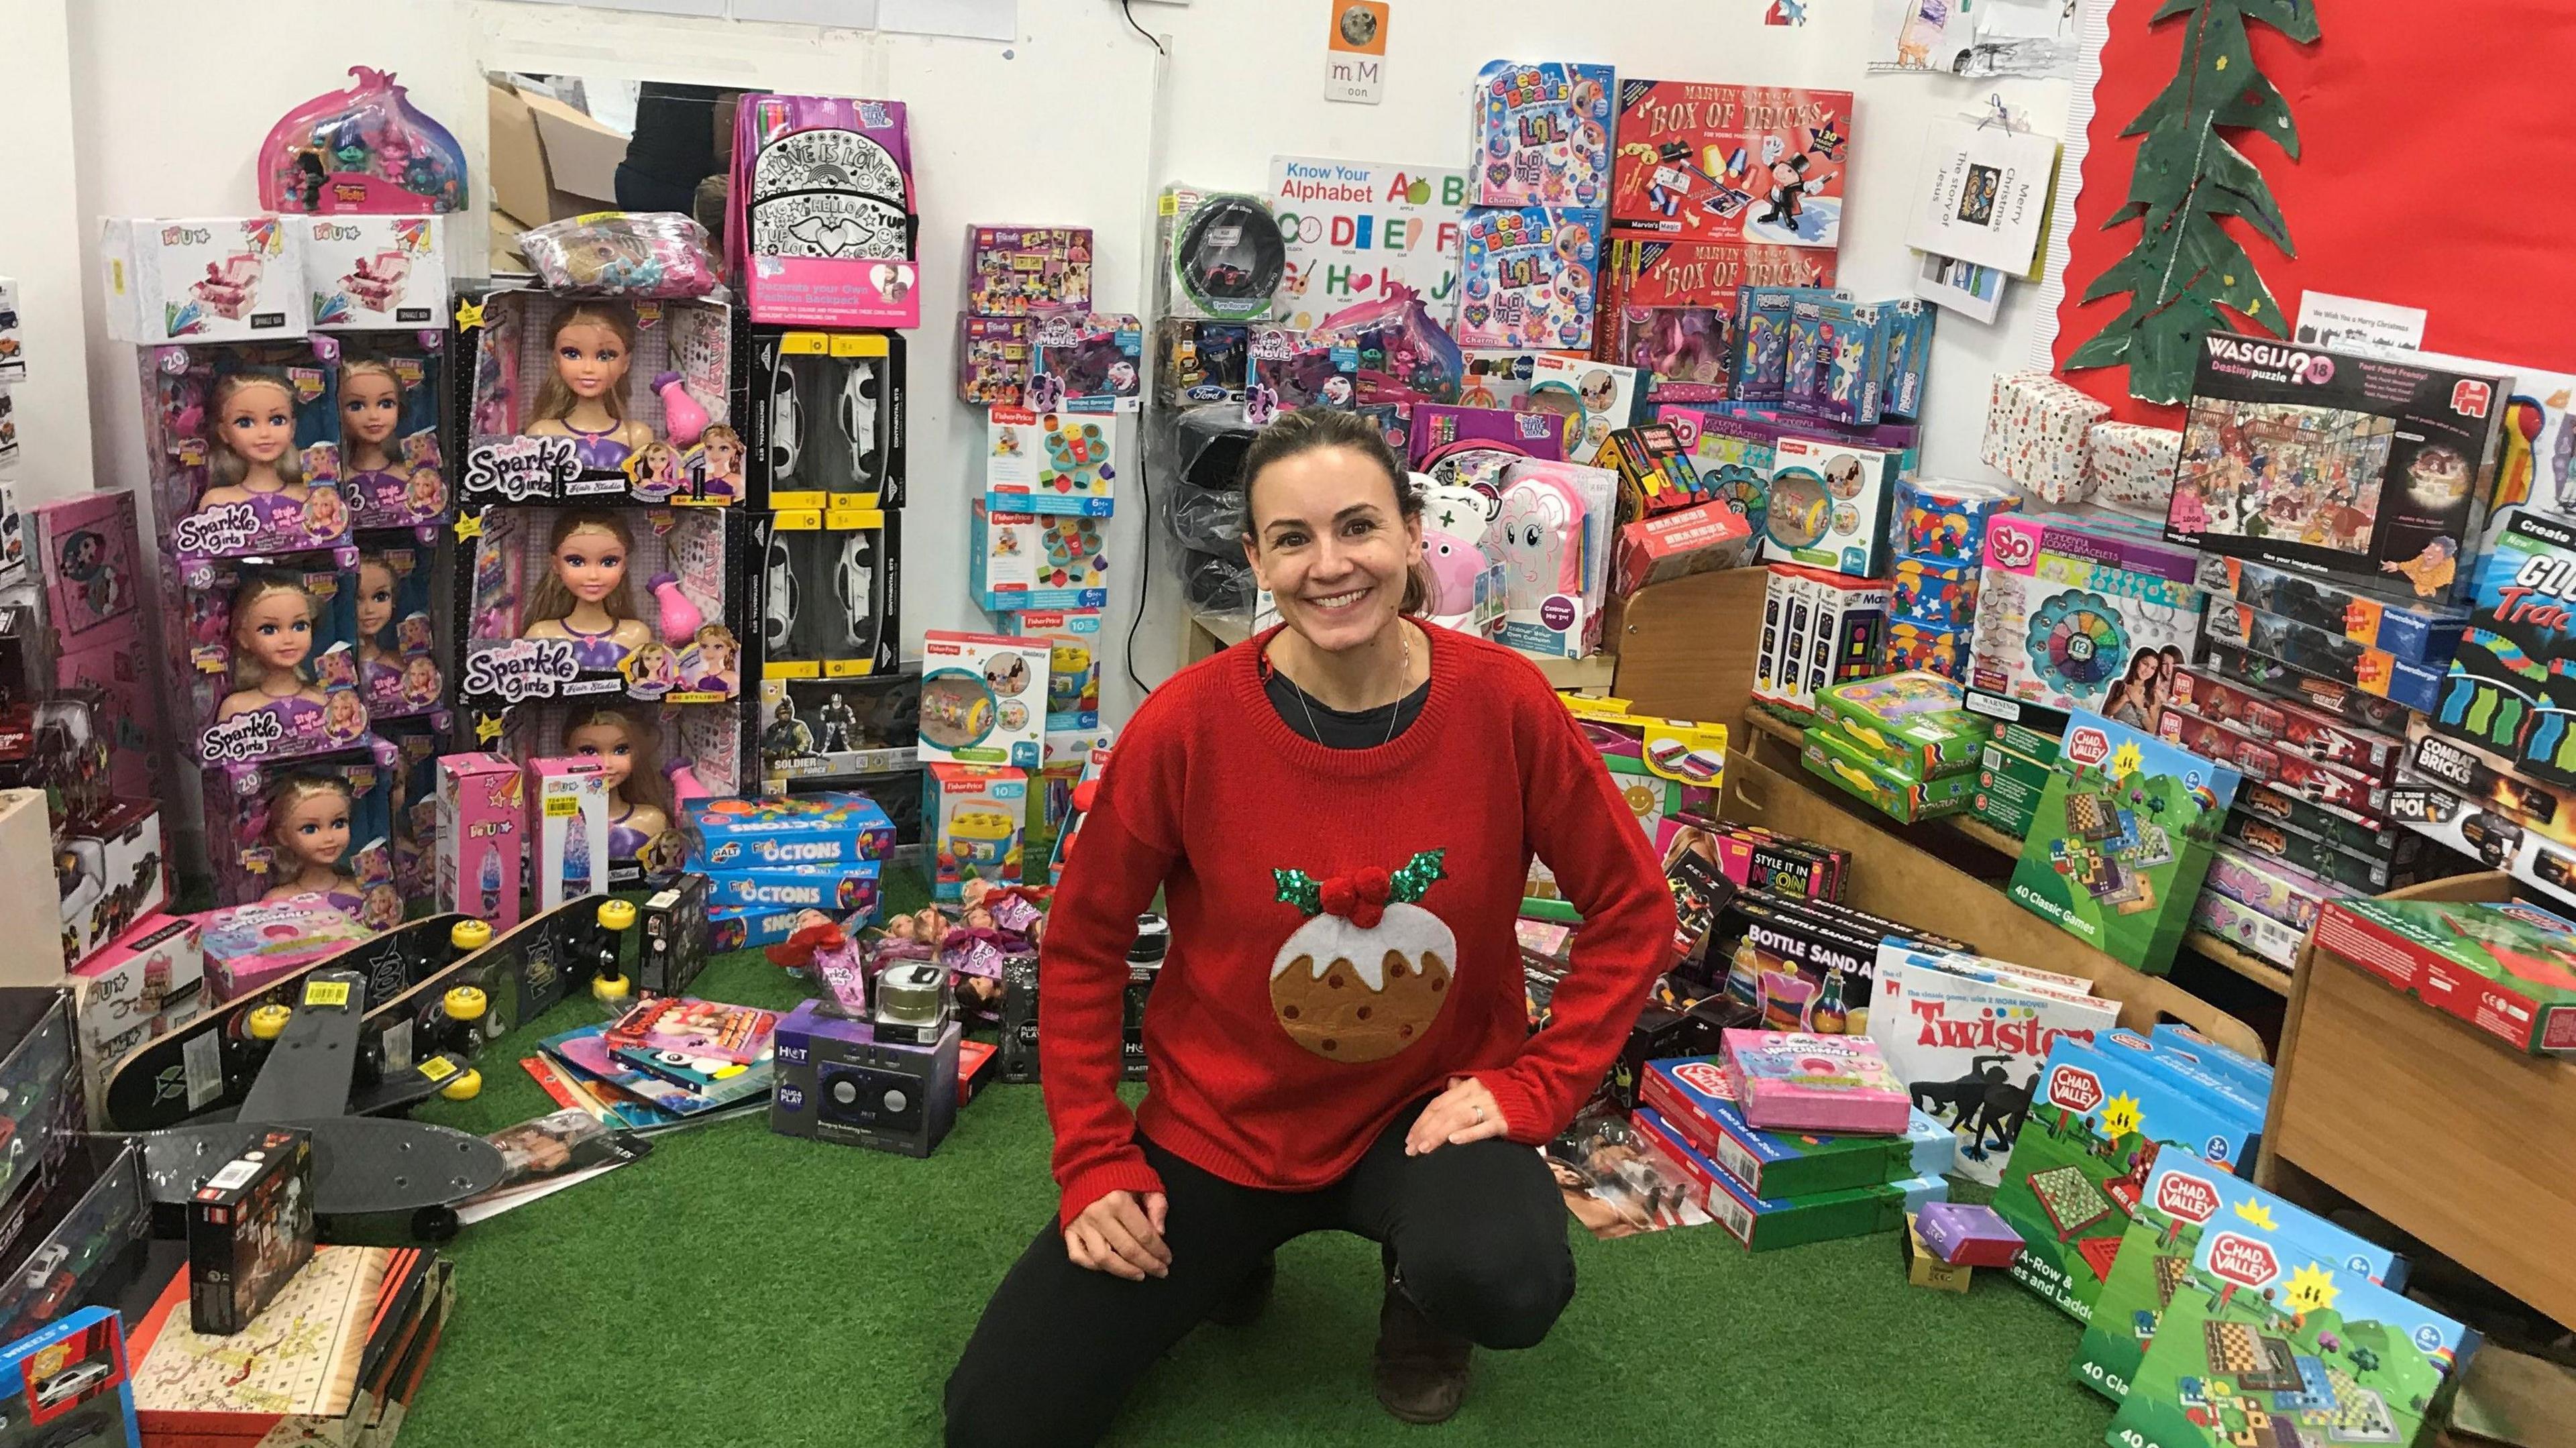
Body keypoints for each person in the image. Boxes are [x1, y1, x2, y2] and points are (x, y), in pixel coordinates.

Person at [945, 408, 1675, 1446]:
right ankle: (1230, 1256)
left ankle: (1423, 1295)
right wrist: (1095, 1157)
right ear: (1256, 560)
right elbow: (1083, 946)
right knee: (1000, 1423)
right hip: (1222, 1124)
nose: (1330, 565)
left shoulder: (1505, 704)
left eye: (1359, 527)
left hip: (1429, 1113)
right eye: (1293, 538)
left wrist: (1537, 1086)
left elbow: (1635, 909)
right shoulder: (1186, 724)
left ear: (1412, 535)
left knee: (1505, 1280)